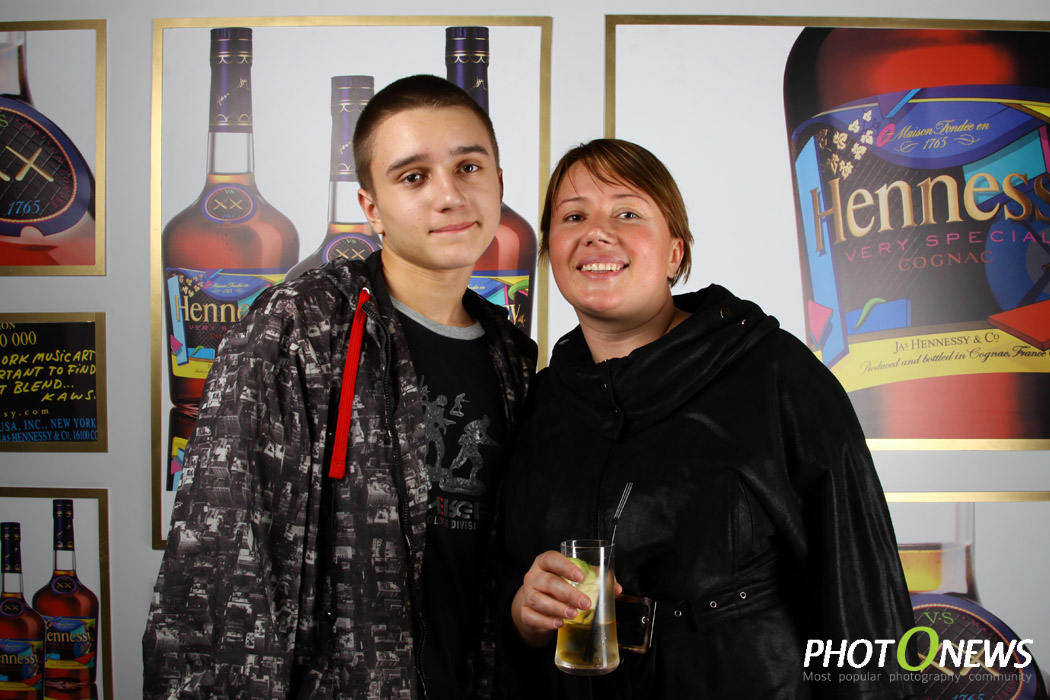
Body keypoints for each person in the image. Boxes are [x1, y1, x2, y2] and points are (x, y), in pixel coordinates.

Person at [143, 74, 536, 700]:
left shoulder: (512, 355)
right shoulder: (298, 328)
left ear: (499, 183)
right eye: (414, 176)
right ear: (371, 207)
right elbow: (215, 565)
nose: (449, 195)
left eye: (469, 167)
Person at [496, 139, 923, 699]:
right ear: (551, 250)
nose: (597, 233)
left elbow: (862, 591)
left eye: (628, 213)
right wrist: (525, 616)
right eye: (574, 217)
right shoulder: (542, 402)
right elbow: (503, 586)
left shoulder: (774, 373)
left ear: (675, 253)